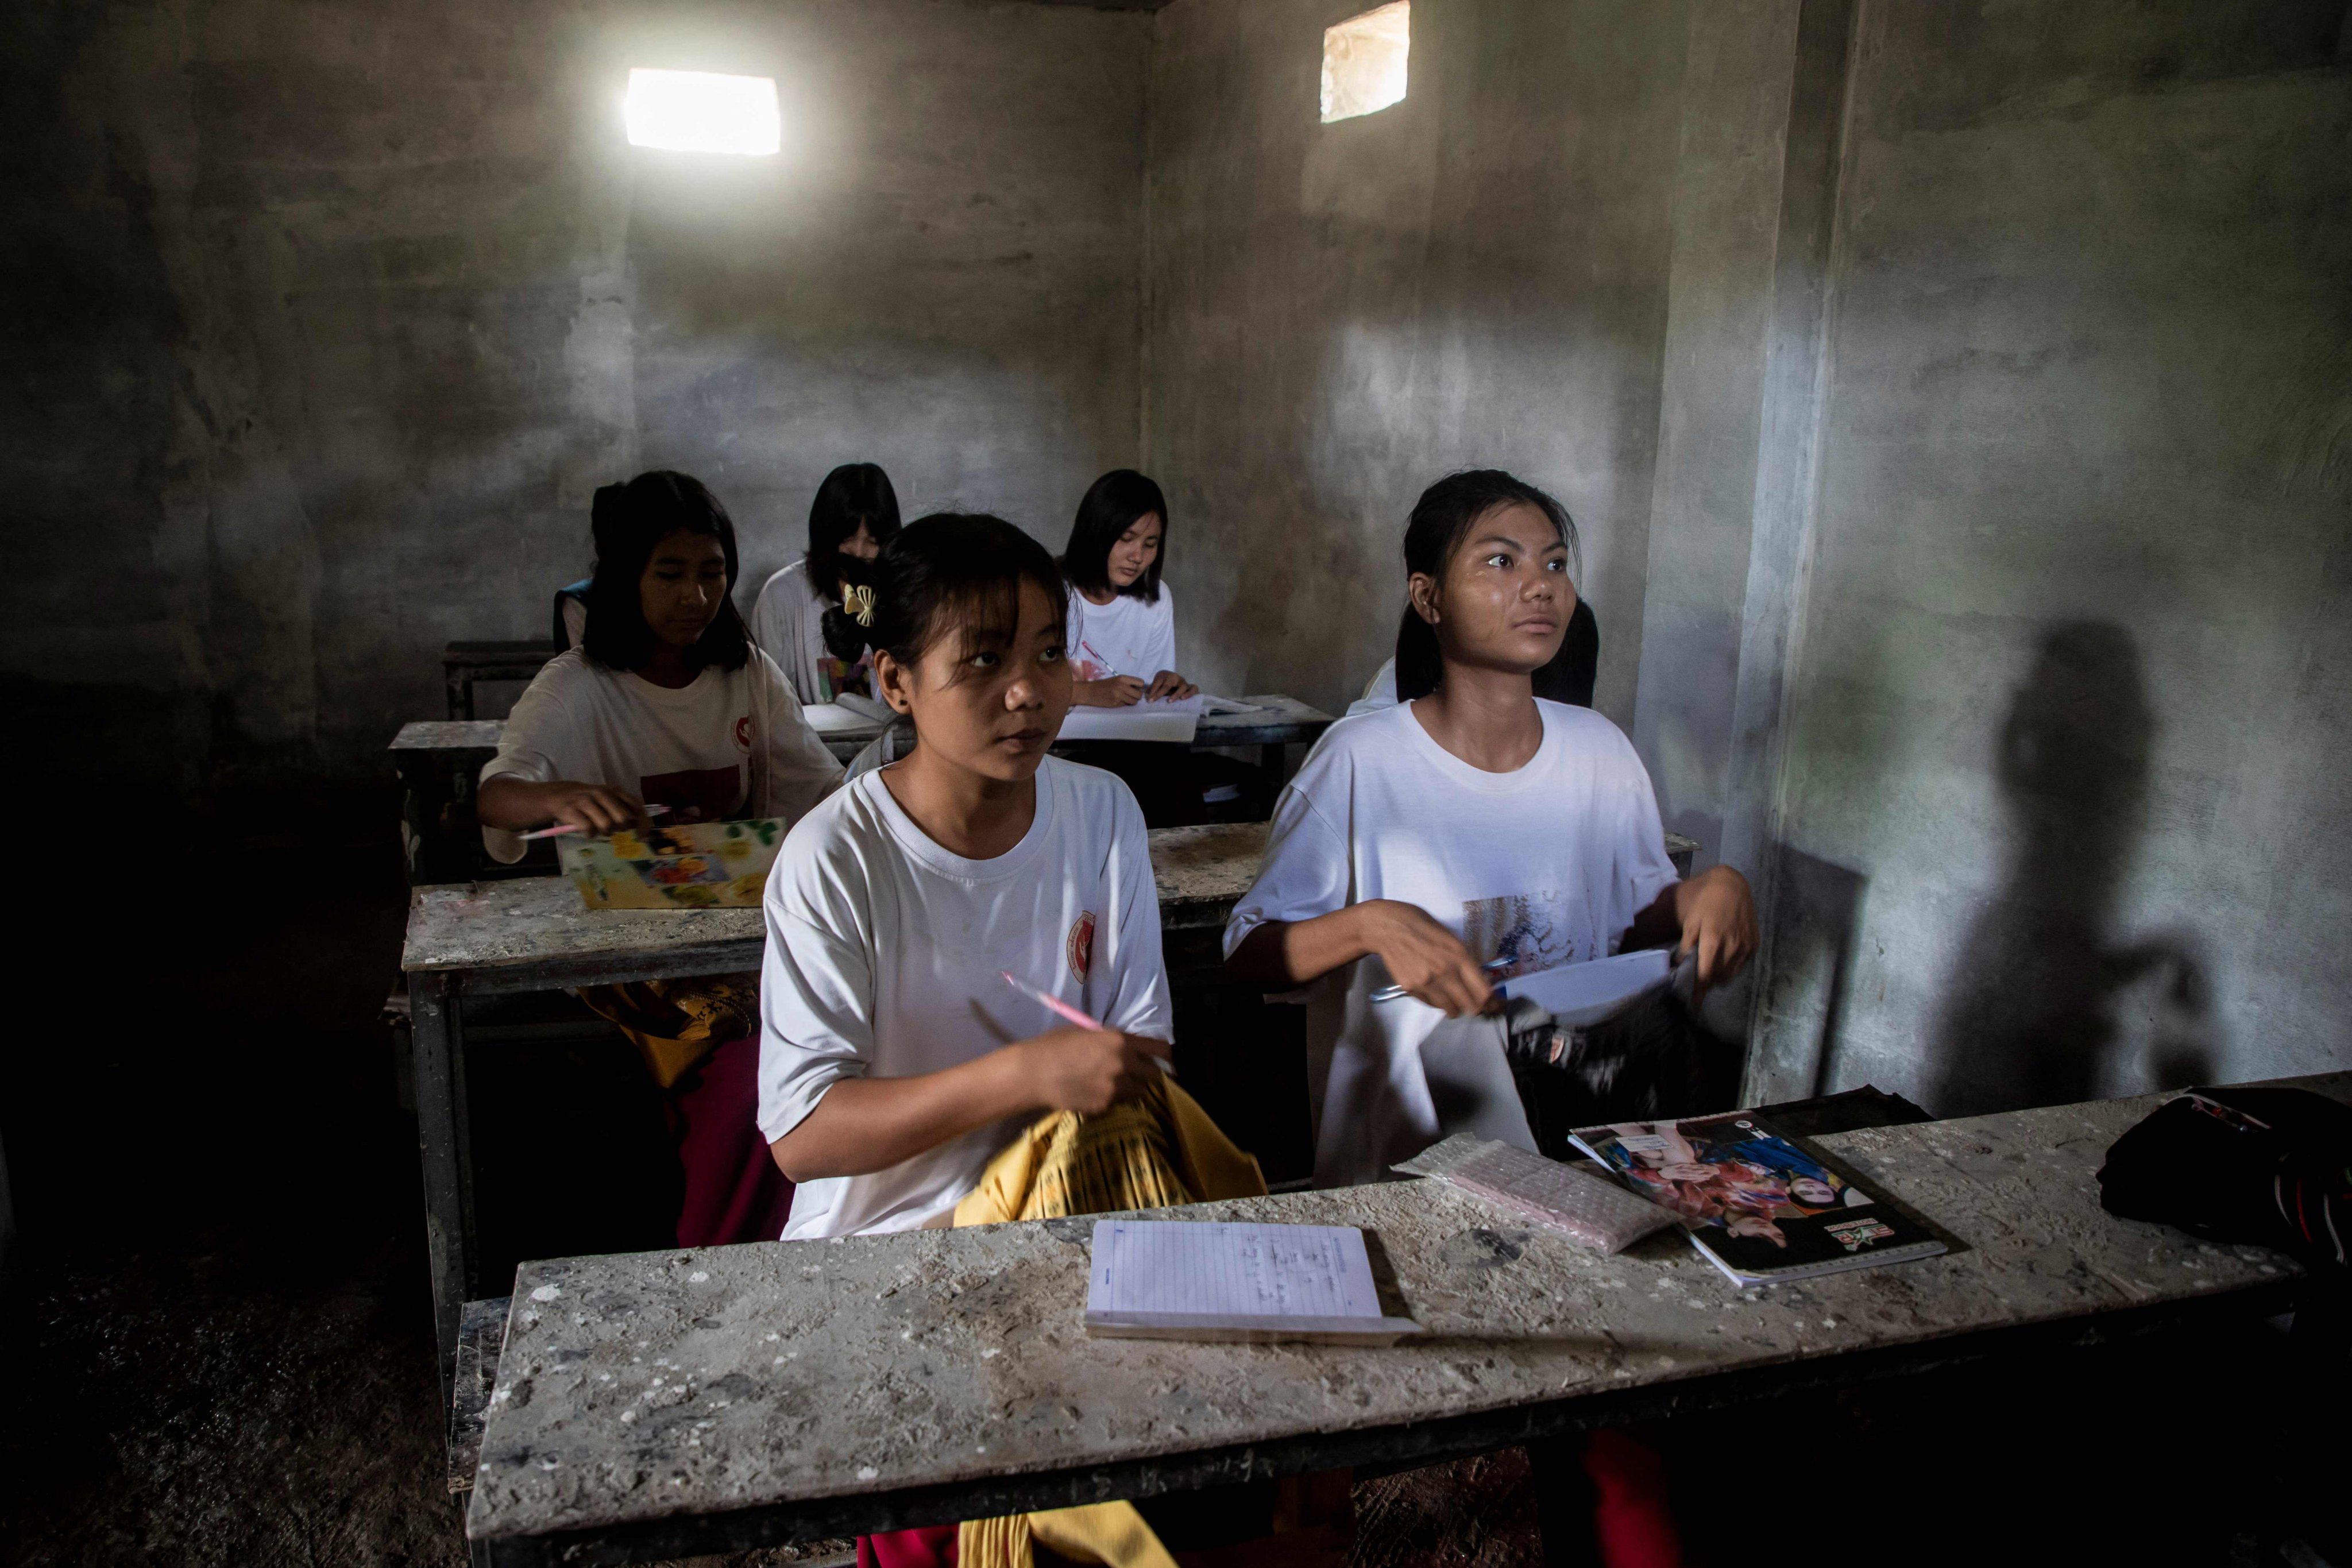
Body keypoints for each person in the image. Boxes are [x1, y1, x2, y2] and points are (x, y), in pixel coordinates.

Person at [758, 513, 1275, 1568]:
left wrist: (1080, 1088)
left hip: (1080, 1210)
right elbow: (803, 1136)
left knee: (1232, 1445)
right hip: (892, 1241)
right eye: (983, 662)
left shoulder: (1101, 813)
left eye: (1048, 652)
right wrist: (1022, 1075)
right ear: (897, 683)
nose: (1030, 691)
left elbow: (1145, 1047)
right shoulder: (835, 857)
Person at [1223, 469, 1759, 1189]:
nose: (1540, 585)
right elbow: (1246, 953)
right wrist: (1371, 926)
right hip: (1406, 1162)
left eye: (1555, 563)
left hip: (1574, 1145)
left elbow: (1630, 926)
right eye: (1501, 561)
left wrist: (1708, 894)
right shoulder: (1361, 761)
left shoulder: (1599, 750)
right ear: (1429, 597)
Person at [477, 470, 844, 1246]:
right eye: (669, 574)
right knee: (756, 1082)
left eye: (712, 573)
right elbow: (496, 796)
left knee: (845, 1042)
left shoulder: (745, 672)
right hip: (631, 957)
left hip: (743, 939)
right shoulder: (577, 685)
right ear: (624, 578)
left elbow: (820, 788)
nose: (695, 596)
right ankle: (730, 1254)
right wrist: (558, 796)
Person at [751, 462, 902, 705]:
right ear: (825, 534)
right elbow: (770, 699)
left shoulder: (904, 592)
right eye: (848, 538)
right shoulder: (782, 595)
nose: (859, 552)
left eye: (873, 541)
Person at [1061, 469, 1197, 706]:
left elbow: (1144, 696)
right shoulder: (1049, 591)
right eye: (1126, 539)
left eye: (1150, 544)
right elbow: (1018, 689)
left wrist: (1163, 686)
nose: (1137, 556)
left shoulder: (1156, 599)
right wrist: (1086, 693)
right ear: (1095, 531)